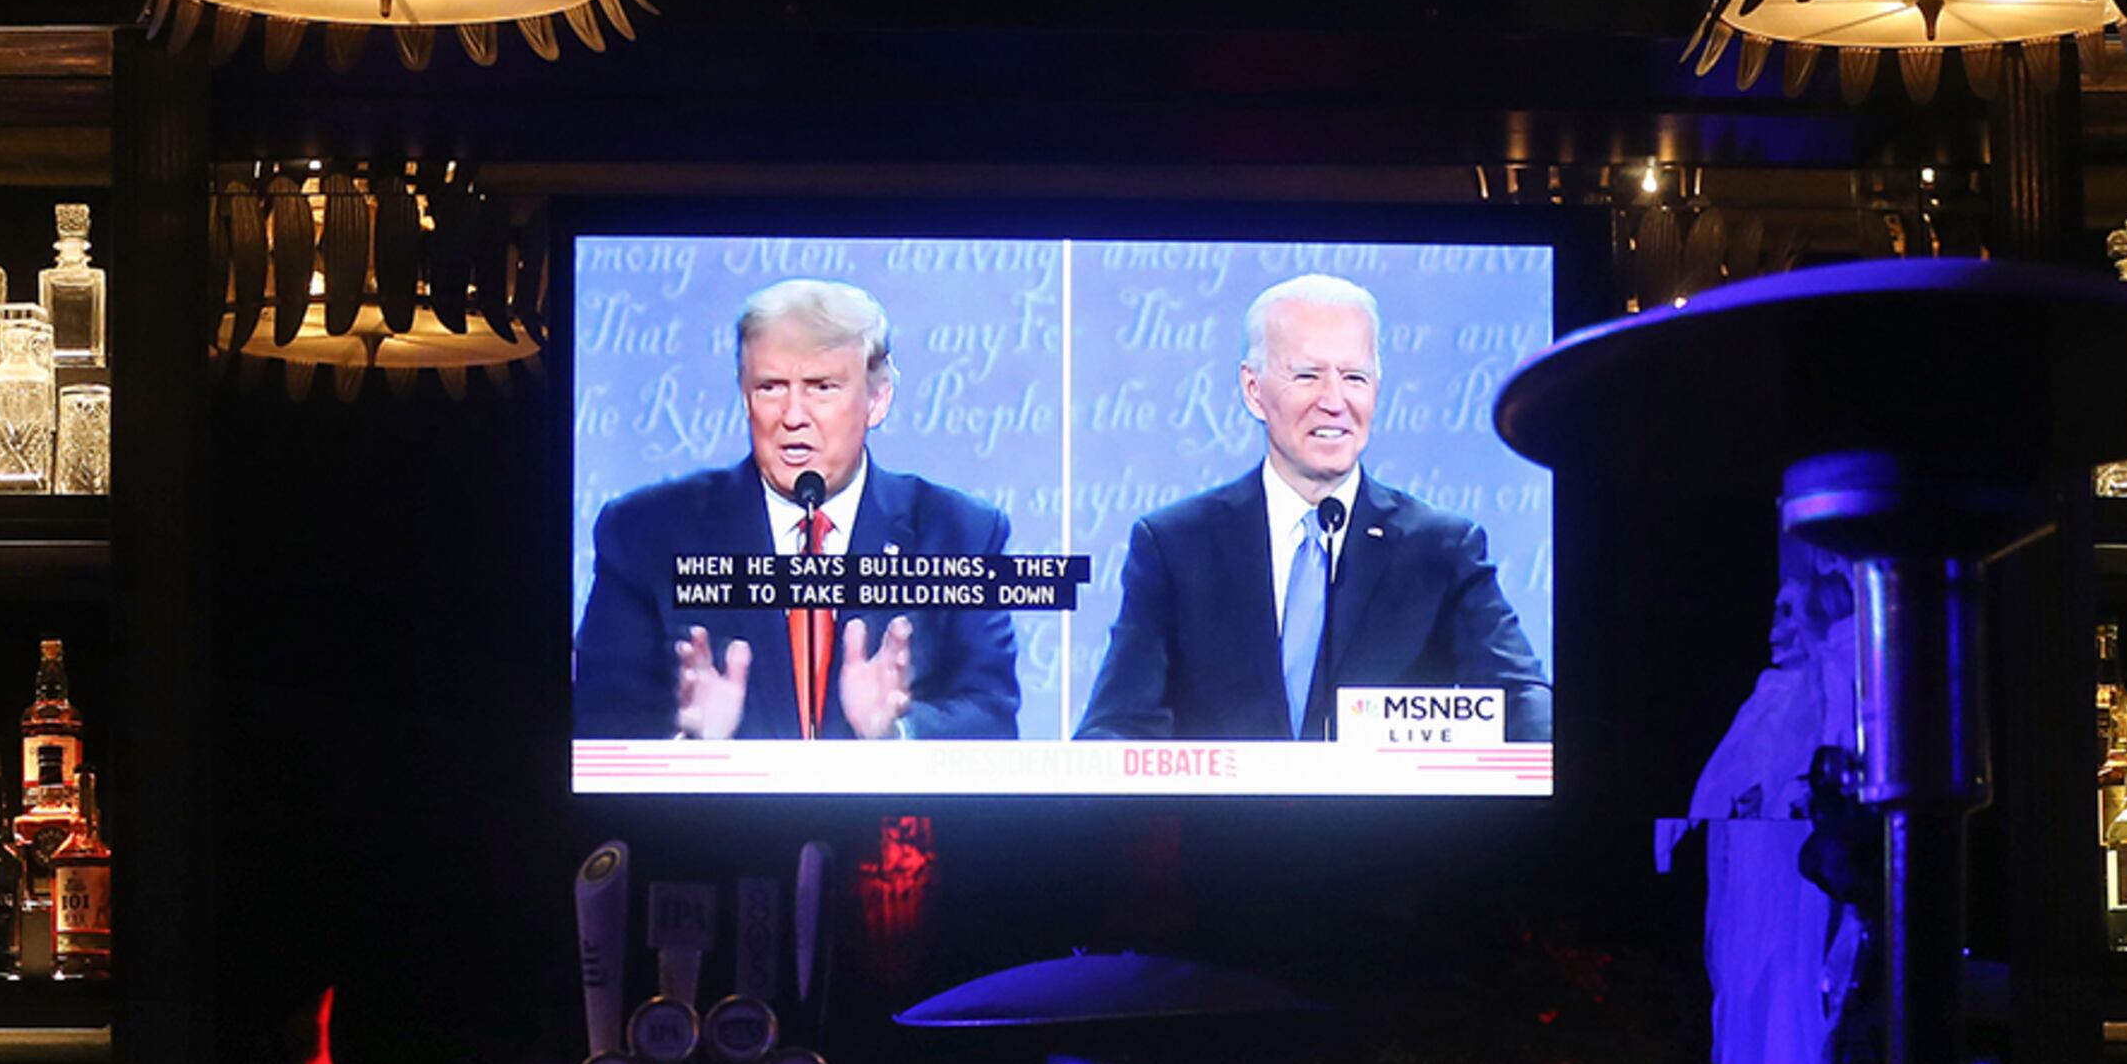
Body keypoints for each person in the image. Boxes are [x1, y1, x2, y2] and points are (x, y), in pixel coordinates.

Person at [1076, 272, 1551, 746]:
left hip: (1384, 823)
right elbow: (1115, 727)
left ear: (1377, 390)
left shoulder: (1441, 549)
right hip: (1219, 823)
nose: (1334, 401)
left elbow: (1522, 700)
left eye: (1354, 378)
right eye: (1307, 375)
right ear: (1253, 390)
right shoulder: (1177, 546)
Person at [573, 277, 1021, 742]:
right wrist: (691, 748)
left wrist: (894, 734)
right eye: (770, 387)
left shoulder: (960, 533)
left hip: (887, 816)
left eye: (821, 387)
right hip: (713, 817)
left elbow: (992, 717)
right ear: (745, 396)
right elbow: (598, 726)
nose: (792, 416)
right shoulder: (645, 532)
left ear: (877, 398)